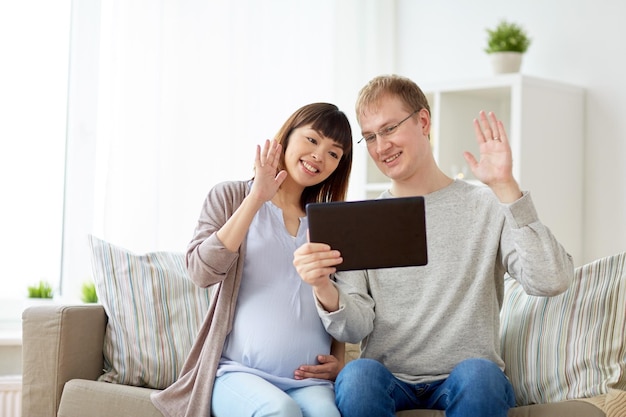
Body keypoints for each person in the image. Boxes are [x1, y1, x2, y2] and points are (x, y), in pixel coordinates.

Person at [293, 75, 574, 417]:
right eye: (370, 136)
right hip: (388, 378)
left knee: (480, 376)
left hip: (468, 378)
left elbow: (551, 279)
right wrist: (322, 286)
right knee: (357, 376)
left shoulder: (486, 204)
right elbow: (355, 327)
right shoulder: (363, 219)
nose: (381, 147)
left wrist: (506, 187)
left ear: (423, 121)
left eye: (390, 128)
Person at [150, 102, 354, 417]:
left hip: (309, 382)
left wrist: (338, 361)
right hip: (237, 373)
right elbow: (201, 272)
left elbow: (338, 304)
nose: (319, 156)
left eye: (333, 153)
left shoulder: (331, 222)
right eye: (312, 140)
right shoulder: (230, 197)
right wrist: (256, 197)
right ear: (287, 136)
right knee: (281, 412)